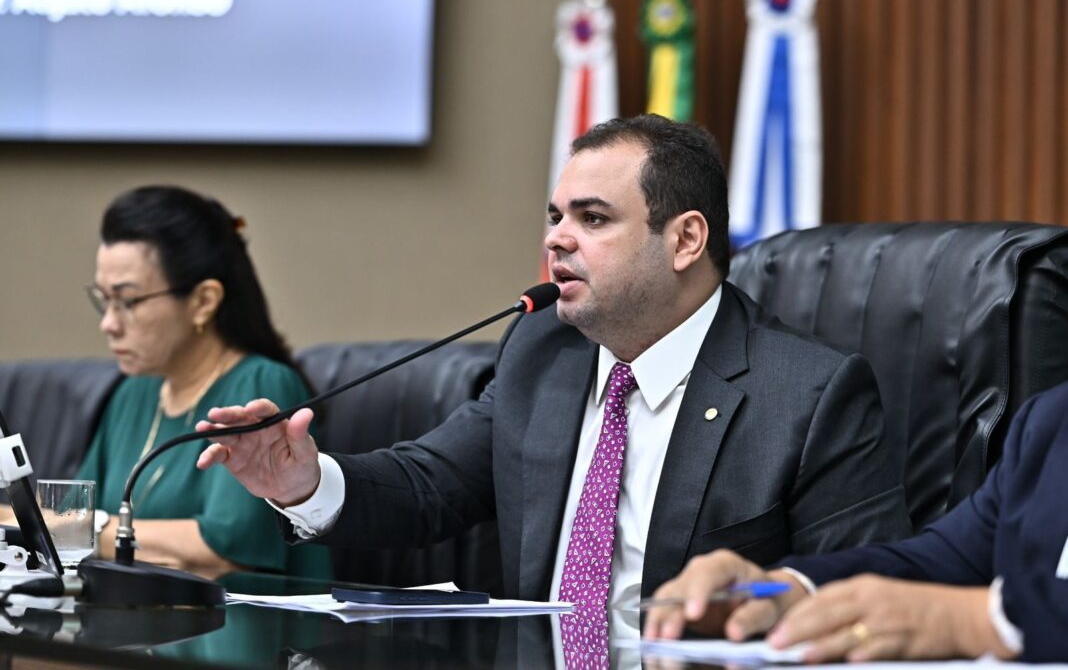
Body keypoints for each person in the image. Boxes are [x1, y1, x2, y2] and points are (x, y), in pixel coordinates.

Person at [197, 115, 911, 610]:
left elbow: (852, 596)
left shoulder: (810, 395)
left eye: (592, 219)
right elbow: (429, 485)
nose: (557, 242)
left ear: (686, 239)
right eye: (555, 217)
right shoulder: (546, 355)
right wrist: (301, 480)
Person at [642, 380, 1068, 663]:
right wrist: (788, 591)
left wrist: (975, 622)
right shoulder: (1051, 420)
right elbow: (945, 558)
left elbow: (954, 610)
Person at [80, 185, 329, 577]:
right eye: (103, 300)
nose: (108, 324)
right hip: (136, 628)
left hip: (245, 631)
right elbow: (70, 513)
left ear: (203, 302)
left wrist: (84, 533)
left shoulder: (262, 386)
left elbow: (224, 549)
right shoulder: (133, 391)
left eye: (127, 301)